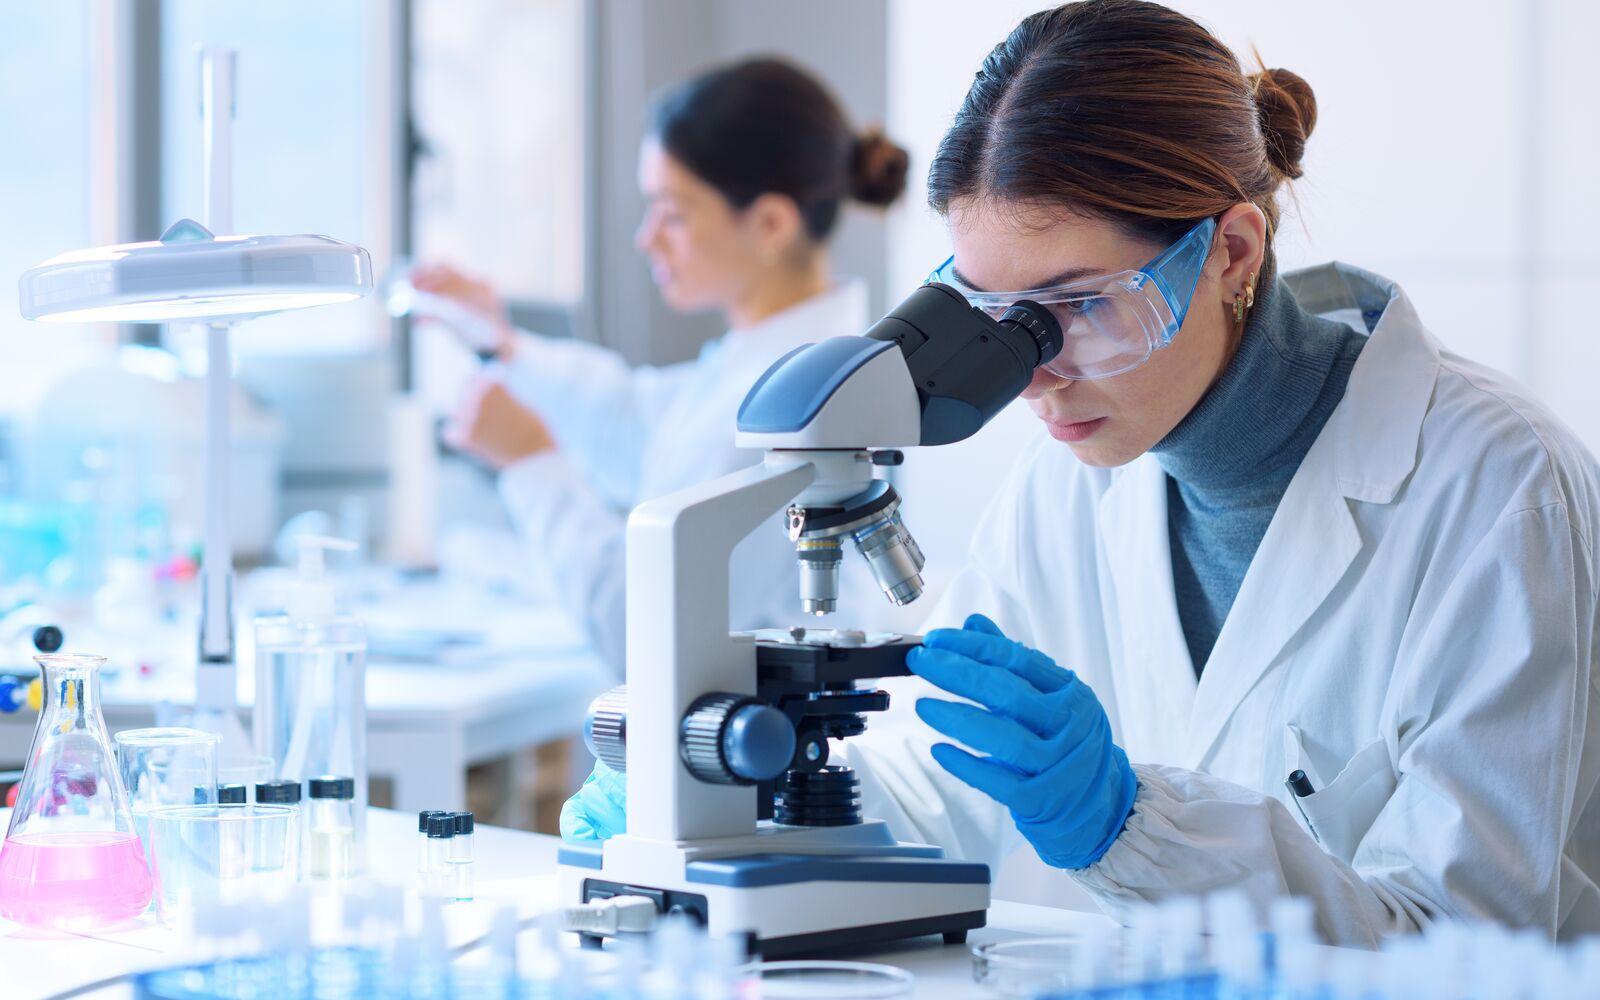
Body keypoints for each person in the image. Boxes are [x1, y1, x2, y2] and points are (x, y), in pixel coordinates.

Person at [561, 0, 1600, 946]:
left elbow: (1471, 948)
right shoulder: (1075, 474)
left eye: (1084, 303)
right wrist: (732, 804)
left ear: (1232, 252)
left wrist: (1127, 825)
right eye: (997, 320)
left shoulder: (1497, 488)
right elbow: (944, 781)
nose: (1033, 376)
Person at [414, 58, 909, 675]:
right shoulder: (771, 364)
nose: (647, 239)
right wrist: (500, 346)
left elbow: (647, 637)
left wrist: (530, 467)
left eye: (672, 212)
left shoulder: (797, 407)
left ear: (771, 224)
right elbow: (639, 419)